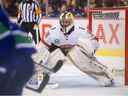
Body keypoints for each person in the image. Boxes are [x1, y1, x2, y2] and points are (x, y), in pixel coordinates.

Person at [42, 11, 115, 87]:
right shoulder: (53, 31)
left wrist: (91, 51)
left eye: (67, 22)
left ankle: (106, 77)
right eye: (63, 22)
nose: (64, 24)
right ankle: (39, 76)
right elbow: (44, 45)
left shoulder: (81, 30)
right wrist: (43, 56)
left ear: (71, 22)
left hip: (75, 49)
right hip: (59, 50)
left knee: (84, 64)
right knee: (49, 61)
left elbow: (94, 40)